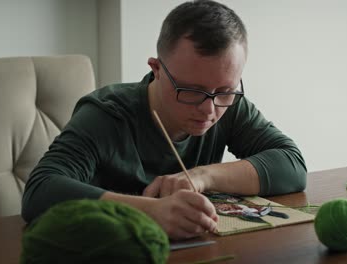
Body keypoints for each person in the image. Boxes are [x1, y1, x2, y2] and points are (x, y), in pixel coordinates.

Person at [21, 0, 307, 240]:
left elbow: (292, 165)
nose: (209, 109)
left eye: (224, 91)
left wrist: (201, 175)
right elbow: (40, 192)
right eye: (191, 91)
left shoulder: (229, 105)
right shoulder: (106, 114)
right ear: (156, 69)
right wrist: (150, 212)